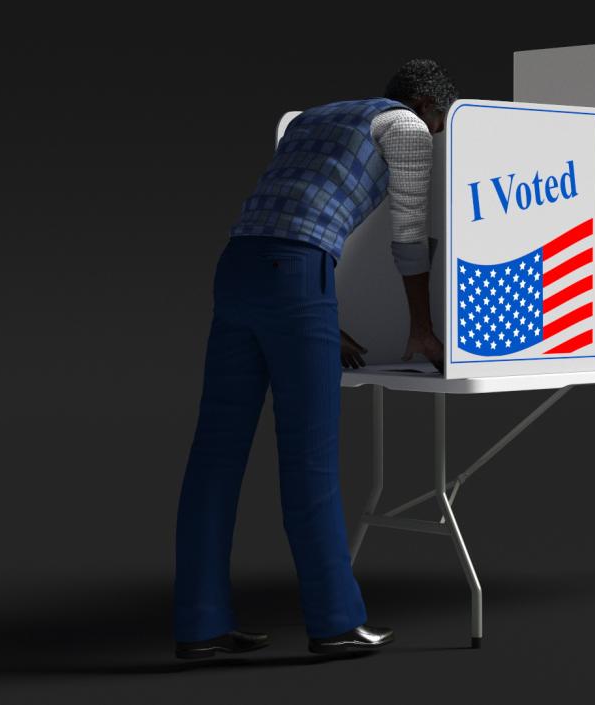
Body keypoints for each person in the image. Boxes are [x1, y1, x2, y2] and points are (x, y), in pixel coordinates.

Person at [173, 59, 457, 659]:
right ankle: (333, 623)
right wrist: (423, 330)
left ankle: (199, 625)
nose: (432, 142)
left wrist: (326, 313)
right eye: (439, 128)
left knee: (214, 458)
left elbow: (300, 209)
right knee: (309, 460)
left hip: (239, 269)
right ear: (429, 108)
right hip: (296, 276)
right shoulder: (407, 130)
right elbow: (407, 237)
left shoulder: (316, 119)